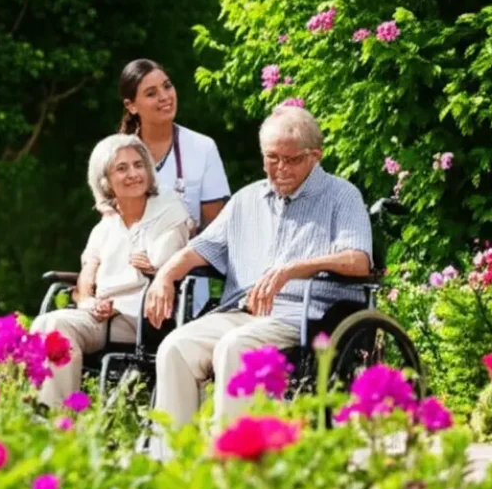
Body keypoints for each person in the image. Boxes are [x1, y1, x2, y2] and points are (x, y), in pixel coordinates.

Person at [142, 106, 373, 458]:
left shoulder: (342, 196)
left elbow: (358, 260)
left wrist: (292, 270)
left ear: (315, 156)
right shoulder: (246, 199)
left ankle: (232, 462)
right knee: (176, 346)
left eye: (291, 160)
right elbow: (197, 250)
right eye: (271, 158)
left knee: (235, 345)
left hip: (301, 314)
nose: (279, 169)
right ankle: (170, 462)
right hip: (244, 311)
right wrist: (164, 276)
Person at [31, 134, 190, 409]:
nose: (133, 174)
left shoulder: (169, 213)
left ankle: (58, 415)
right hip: (101, 317)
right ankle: (54, 414)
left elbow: (164, 268)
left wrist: (117, 303)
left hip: (144, 318)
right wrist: (88, 301)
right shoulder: (104, 228)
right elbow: (86, 277)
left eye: (138, 165)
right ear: (106, 182)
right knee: (48, 324)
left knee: (55, 326)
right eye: (122, 168)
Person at [119, 58, 231, 318]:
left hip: (185, 288)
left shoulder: (202, 149)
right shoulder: (118, 154)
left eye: (167, 87)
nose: (165, 97)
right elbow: (111, 224)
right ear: (131, 106)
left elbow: (216, 230)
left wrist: (171, 263)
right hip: (125, 280)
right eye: (151, 93)